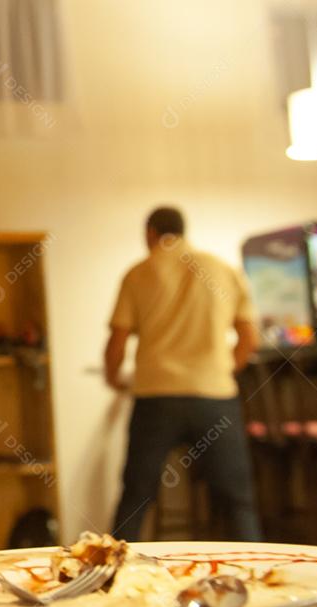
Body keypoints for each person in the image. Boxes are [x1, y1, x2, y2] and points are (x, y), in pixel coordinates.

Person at [103, 207, 262, 542]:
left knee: (136, 495)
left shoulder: (139, 273)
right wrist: (223, 369)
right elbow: (249, 338)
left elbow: (117, 342)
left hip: (156, 398)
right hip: (214, 399)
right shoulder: (222, 269)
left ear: (151, 233)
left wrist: (114, 378)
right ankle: (255, 566)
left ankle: (110, 566)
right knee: (238, 499)